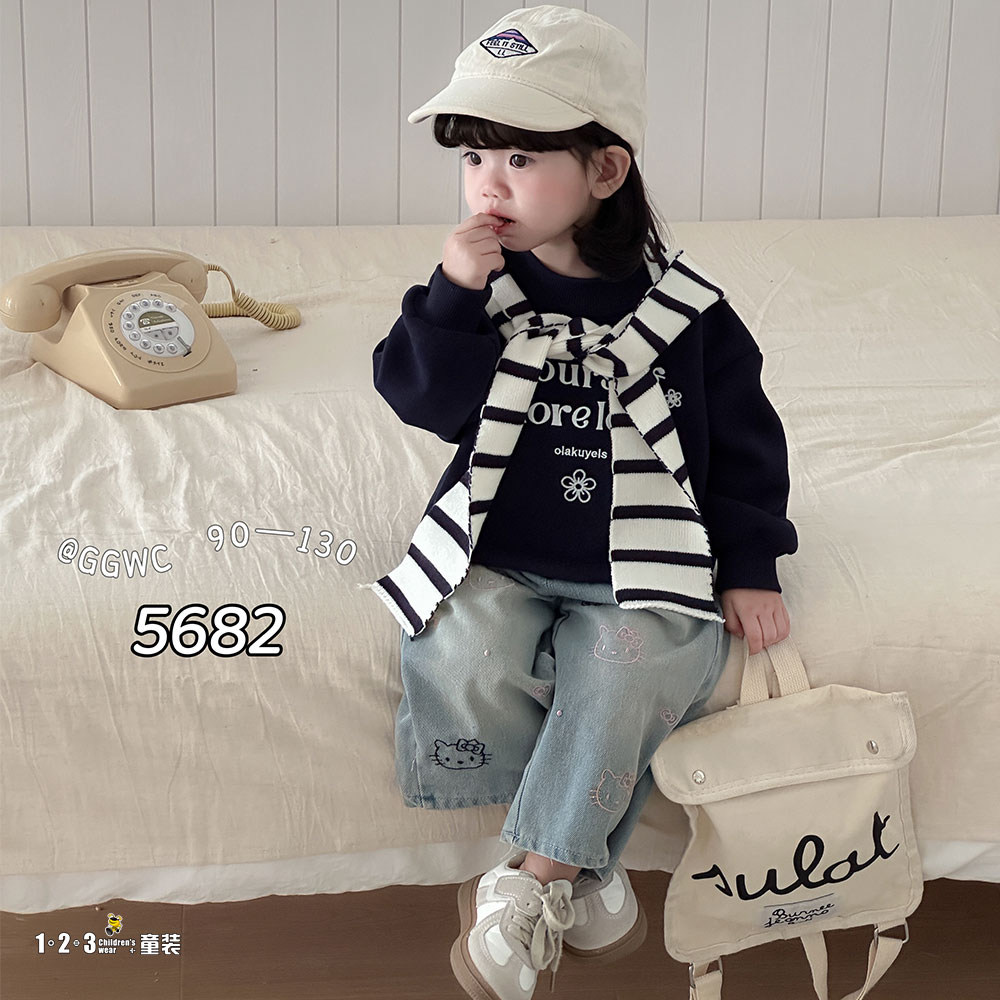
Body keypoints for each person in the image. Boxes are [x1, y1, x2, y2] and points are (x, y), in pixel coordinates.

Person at [368, 6, 797, 999]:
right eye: (473, 157)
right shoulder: (476, 293)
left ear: (605, 171)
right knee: (458, 652)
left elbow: (743, 447)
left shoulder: (685, 314)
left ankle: (536, 881)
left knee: (631, 669)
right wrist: (450, 294)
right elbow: (423, 401)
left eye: (521, 158)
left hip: (645, 555)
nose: (488, 183)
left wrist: (750, 564)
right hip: (504, 545)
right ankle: (586, 861)